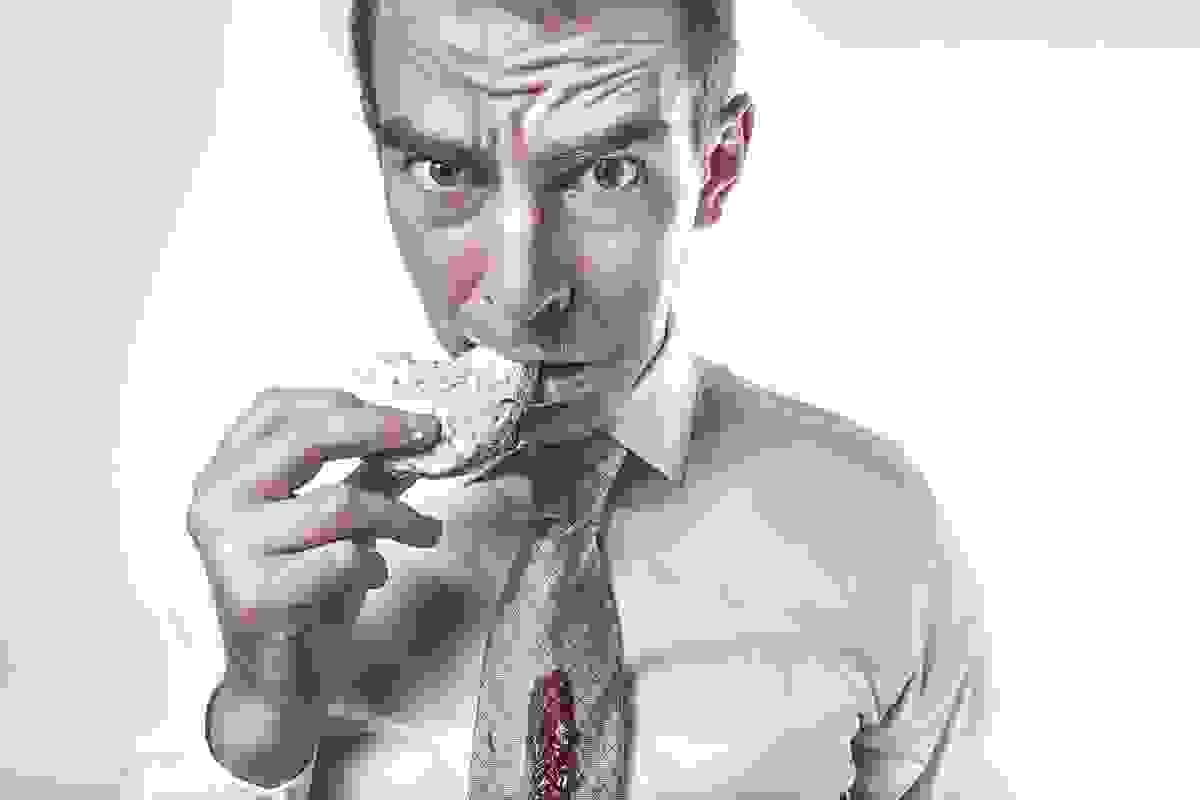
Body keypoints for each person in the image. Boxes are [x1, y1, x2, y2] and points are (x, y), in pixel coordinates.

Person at [183, 1, 993, 797]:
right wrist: (261, 714)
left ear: (716, 168)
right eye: (444, 171)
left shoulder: (881, 533)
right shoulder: (271, 528)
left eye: (608, 173)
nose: (519, 294)